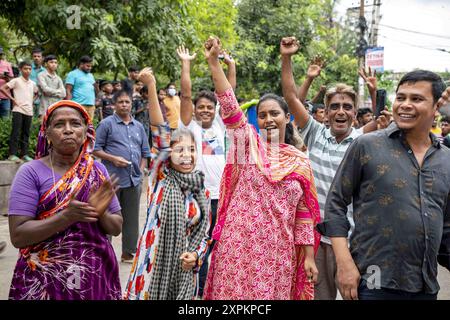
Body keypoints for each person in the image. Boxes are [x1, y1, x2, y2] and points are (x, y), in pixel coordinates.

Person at [203, 37, 320, 300]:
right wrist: (214, 63)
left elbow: (303, 215)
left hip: (277, 253)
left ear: (287, 118)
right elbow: (230, 107)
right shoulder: (246, 147)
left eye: (274, 114)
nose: (268, 119)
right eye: (263, 115)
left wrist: (309, 257)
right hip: (238, 247)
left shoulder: (300, 162)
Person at [318, 70, 450, 300]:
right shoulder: (367, 145)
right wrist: (344, 262)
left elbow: (446, 225)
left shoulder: (446, 159)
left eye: (416, 99)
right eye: (401, 97)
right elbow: (336, 203)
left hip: (425, 285)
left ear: (436, 107)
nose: (405, 105)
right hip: (373, 281)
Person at [280, 36, 390, 300]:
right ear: (326, 113)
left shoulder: (363, 140)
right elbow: (290, 96)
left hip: (352, 241)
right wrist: (286, 58)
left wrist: (375, 91)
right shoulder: (315, 134)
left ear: (354, 114)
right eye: (335, 107)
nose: (341, 111)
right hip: (315, 240)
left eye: (347, 107)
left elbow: (383, 119)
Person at [8, 100, 123, 300]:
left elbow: (115, 228)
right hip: (43, 279)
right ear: (48, 133)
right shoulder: (30, 172)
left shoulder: (97, 170)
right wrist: (66, 217)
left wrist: (101, 212)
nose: (68, 130)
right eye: (59, 124)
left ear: (86, 131)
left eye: (75, 123)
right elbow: (18, 236)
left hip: (94, 274)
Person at [124, 67, 211, 300]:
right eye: (179, 150)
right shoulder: (162, 177)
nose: (186, 155)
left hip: (183, 273)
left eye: (191, 150)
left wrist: (196, 256)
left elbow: (204, 236)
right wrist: (152, 86)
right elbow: (159, 128)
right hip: (151, 268)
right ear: (168, 154)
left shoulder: (202, 191)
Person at [176, 45, 235, 297]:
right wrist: (186, 63)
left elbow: (228, 94)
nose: (205, 110)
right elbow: (186, 96)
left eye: (209, 107)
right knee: (195, 247)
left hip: (219, 199)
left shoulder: (222, 124)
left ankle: (212, 290)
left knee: (217, 247)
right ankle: (195, 293)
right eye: (201, 107)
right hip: (193, 197)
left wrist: (230, 66)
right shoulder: (189, 125)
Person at [93, 89, 151, 263]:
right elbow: (96, 149)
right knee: (108, 216)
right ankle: (105, 252)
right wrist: (113, 159)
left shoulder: (139, 126)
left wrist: (140, 171)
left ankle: (128, 253)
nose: (124, 105)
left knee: (131, 219)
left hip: (134, 180)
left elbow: (145, 152)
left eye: (127, 102)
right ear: (114, 105)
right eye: (121, 102)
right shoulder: (106, 124)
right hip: (112, 180)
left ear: (131, 104)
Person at [0, 61, 38, 163]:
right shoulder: (16, 81)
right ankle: (12, 154)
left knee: (26, 134)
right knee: (15, 132)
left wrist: (31, 101)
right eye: (25, 69)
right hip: (18, 110)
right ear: (21, 69)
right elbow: (3, 88)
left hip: (29, 111)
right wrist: (12, 99)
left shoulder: (33, 83)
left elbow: (37, 93)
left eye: (30, 69)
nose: (28, 71)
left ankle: (24, 155)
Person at [65, 56, 96, 120]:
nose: (89, 68)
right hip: (78, 104)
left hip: (90, 105)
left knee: (88, 126)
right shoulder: (72, 74)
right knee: (78, 123)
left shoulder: (90, 75)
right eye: (87, 66)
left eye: (91, 66)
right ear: (81, 64)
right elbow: (68, 90)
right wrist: (69, 105)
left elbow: (92, 89)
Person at [30, 48, 45, 119]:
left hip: (41, 100)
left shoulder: (45, 71)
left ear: (42, 58)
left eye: (39, 56)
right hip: (29, 98)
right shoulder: (27, 68)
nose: (36, 58)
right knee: (29, 120)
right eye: (35, 56)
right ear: (32, 57)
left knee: (40, 121)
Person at [0, 46, 14, 118]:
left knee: (5, 120)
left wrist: (6, 78)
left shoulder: (7, 64)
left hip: (5, 97)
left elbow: (12, 81)